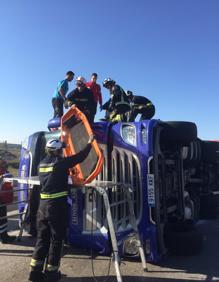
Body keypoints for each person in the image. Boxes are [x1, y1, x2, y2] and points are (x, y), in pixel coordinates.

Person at [28, 136, 94, 282]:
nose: (62, 152)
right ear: (57, 151)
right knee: (56, 239)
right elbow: (80, 157)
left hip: (42, 207)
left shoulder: (41, 164)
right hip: (56, 207)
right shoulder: (60, 163)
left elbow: (52, 178)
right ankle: (51, 273)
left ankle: (35, 273)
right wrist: (89, 143)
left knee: (41, 239)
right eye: (61, 150)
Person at [0, 158, 16, 244]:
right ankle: (4, 237)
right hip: (1, 199)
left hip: (3, 198)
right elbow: (9, 176)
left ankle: (4, 236)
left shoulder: (4, 171)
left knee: (3, 219)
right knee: (2, 219)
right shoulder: (3, 172)